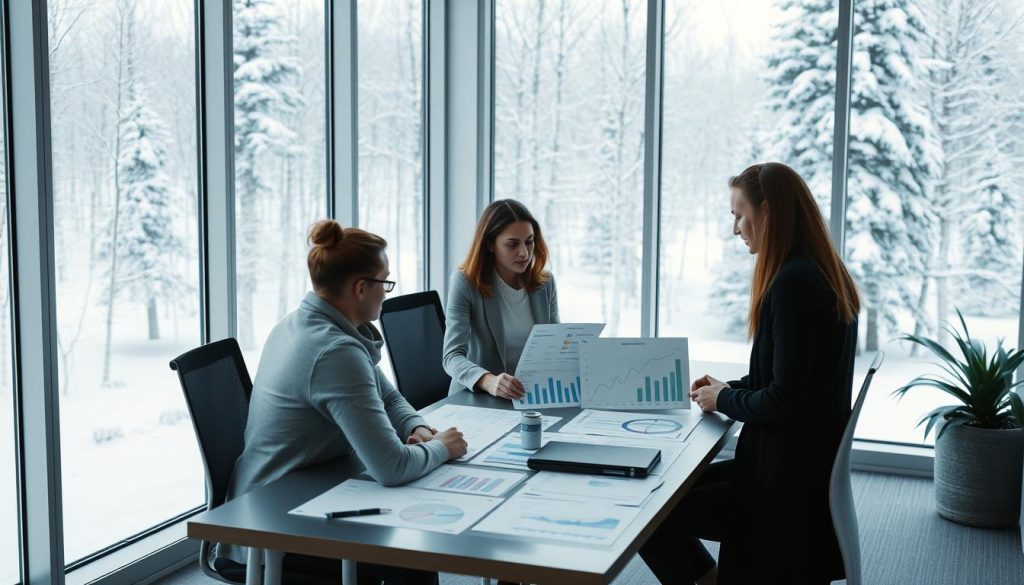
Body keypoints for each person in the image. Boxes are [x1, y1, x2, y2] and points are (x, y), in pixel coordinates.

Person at [639, 163, 860, 585]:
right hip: (795, 470)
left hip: (780, 490)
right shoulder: (819, 272)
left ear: (768, 212)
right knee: (664, 492)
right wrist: (730, 388)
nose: (736, 228)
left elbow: (785, 399)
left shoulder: (793, 285)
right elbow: (793, 380)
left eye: (739, 215)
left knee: (648, 512)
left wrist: (724, 400)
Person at [220, 219, 468, 585]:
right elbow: (392, 467)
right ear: (361, 288)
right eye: (385, 282)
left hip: (297, 490)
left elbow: (388, 396)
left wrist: (417, 427)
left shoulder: (302, 324)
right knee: (413, 547)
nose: (386, 292)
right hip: (276, 524)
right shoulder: (334, 352)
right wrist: (443, 448)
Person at [443, 199, 559, 400]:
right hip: (481, 399)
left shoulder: (545, 283)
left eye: (529, 241)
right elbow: (451, 357)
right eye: (512, 244)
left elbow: (555, 343)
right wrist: (488, 380)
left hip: (531, 396)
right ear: (490, 244)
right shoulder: (466, 282)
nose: (524, 253)